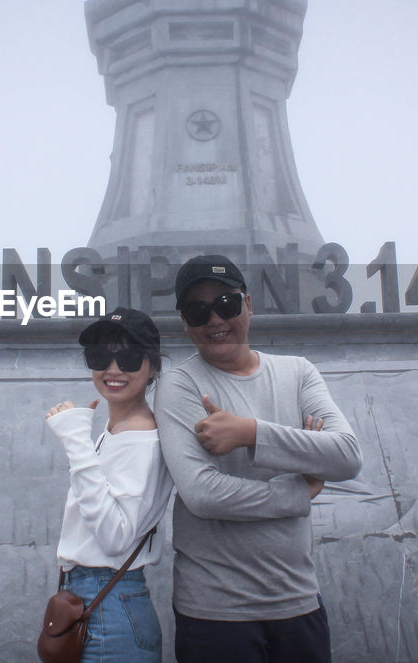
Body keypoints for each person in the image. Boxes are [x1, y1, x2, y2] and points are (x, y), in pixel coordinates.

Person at [153, 254, 363, 663]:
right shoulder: (180, 385)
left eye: (227, 305)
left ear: (248, 304)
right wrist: (298, 489)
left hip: (298, 600)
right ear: (185, 322)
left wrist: (251, 433)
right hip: (215, 612)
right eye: (198, 311)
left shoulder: (298, 372)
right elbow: (203, 494)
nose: (215, 320)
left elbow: (346, 455)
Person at [44, 307, 174, 662]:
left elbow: (115, 537)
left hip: (108, 606)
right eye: (100, 356)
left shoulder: (140, 437)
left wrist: (76, 442)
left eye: (130, 358)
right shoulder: (119, 430)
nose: (113, 369)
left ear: (153, 367)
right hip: (99, 601)